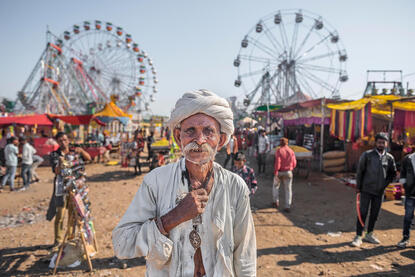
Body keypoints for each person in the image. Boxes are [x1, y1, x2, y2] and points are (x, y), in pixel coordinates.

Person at [113, 89, 256, 276]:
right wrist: (173, 217)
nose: (199, 140)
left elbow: (245, 257)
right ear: (178, 137)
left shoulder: (235, 187)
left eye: (208, 131)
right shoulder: (156, 181)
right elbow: (122, 243)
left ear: (221, 140)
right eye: (190, 131)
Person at [46, 132, 91, 250]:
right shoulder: (54, 155)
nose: (63, 142)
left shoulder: (75, 151)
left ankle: (70, 238)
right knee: (60, 215)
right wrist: (61, 163)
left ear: (68, 140)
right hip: (61, 188)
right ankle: (58, 241)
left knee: (72, 214)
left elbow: (88, 158)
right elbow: (56, 171)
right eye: (60, 140)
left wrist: (81, 151)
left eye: (65, 140)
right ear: (57, 142)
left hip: (75, 188)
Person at [351, 133, 397, 247]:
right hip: (366, 190)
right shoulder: (367, 155)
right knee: (363, 213)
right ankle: (358, 236)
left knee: (375, 214)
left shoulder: (390, 158)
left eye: (383, 142)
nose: (381, 144)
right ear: (375, 143)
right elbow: (360, 172)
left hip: (379, 192)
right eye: (379, 142)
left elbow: (393, 173)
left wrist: (384, 185)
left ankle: (369, 234)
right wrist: (358, 187)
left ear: (386, 143)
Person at [273, 137, 297, 212]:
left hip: (280, 171)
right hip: (288, 172)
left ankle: (275, 201)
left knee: (275, 187)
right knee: (288, 189)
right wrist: (291, 168)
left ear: (280, 143)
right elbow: (294, 163)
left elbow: (278, 162)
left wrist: (276, 171)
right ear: (287, 143)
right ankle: (287, 206)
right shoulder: (291, 151)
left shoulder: (279, 151)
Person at [397, 151, 415, 248]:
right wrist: (405, 185)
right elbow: (403, 173)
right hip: (410, 193)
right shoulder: (408, 159)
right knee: (408, 217)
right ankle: (405, 238)